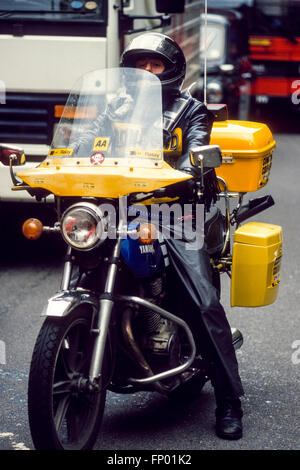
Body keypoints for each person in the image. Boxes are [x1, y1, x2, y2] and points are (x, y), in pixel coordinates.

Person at [121, 32, 244, 440]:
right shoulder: (117, 108)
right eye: (140, 66)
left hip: (177, 212)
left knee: (204, 303)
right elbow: (88, 148)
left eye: (154, 65)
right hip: (122, 210)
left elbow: (198, 152)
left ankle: (229, 400)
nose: (147, 73)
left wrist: (193, 173)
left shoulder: (191, 111)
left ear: (171, 69)